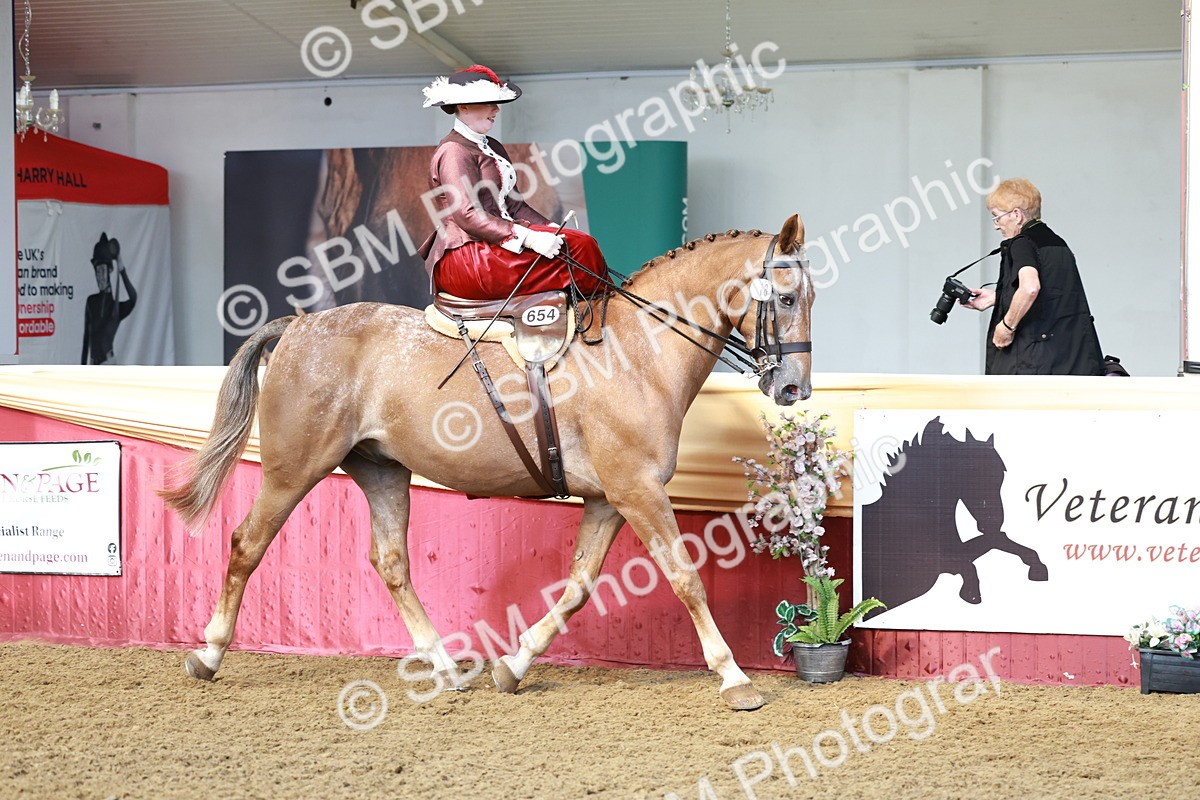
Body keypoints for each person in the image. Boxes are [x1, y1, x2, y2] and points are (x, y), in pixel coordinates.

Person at [416, 65, 609, 300]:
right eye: (488, 103)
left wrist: (549, 229)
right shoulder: (453, 151)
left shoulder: (493, 146)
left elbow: (515, 205)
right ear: (463, 106)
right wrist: (529, 237)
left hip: (496, 246)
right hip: (467, 256)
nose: (496, 110)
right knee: (580, 248)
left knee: (578, 242)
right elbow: (466, 215)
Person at [964, 178, 1104, 375]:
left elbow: (1030, 288)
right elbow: (1053, 295)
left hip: (1034, 364)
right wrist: (998, 297)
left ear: (1016, 215)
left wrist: (1006, 327)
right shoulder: (1058, 243)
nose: (997, 226)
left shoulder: (1021, 243)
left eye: (997, 217)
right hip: (1072, 360)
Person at [81, 232, 138, 365]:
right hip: (93, 365)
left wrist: (121, 268)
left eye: (103, 271)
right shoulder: (91, 302)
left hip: (108, 364)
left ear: (110, 271)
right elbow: (86, 339)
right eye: (97, 271)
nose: (100, 276)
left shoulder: (116, 308)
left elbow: (133, 298)